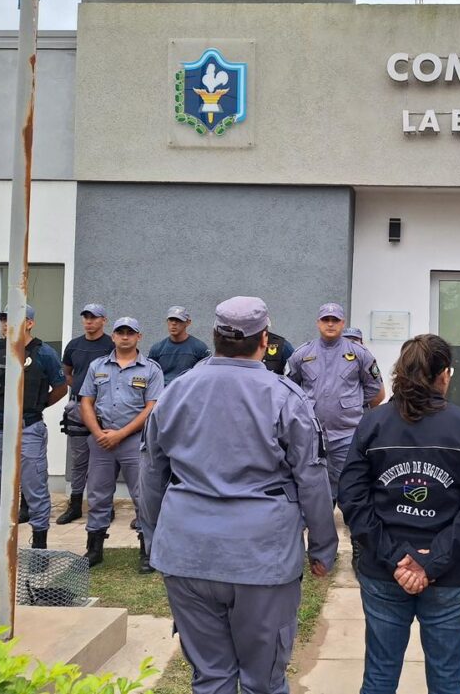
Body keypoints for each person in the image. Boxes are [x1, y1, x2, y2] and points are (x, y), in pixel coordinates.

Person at [139, 296, 337, 694]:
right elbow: (313, 480)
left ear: (214, 336)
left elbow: (151, 475)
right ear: (264, 340)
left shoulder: (176, 392)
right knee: (263, 680)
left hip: (187, 553)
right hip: (260, 558)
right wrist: (322, 548)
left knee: (211, 677)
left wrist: (157, 535)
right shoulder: (285, 396)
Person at [339, 334, 460, 694]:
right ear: (444, 375)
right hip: (449, 572)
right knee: (446, 679)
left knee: (379, 676)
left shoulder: (372, 423)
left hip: (386, 569)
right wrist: (431, 561)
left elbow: (352, 499)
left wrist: (397, 558)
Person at [0, 305, 67, 567]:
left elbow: (61, 388)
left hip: (28, 429)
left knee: (35, 489)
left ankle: (39, 548)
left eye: (13, 320)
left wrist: (36, 406)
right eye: (3, 320)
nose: (6, 325)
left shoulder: (44, 353)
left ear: (29, 323)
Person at [78, 316, 164, 572]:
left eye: (130, 332)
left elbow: (152, 407)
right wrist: (98, 433)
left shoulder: (151, 369)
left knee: (142, 496)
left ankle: (147, 550)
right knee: (97, 494)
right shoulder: (97, 366)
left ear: (139, 337)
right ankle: (94, 548)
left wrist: (121, 433)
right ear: (113, 336)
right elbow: (86, 401)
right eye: (120, 332)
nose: (125, 336)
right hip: (101, 440)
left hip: (135, 441)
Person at [288, 303, 383, 499]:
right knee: (312, 483)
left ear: (342, 323)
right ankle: (318, 517)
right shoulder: (302, 354)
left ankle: (348, 517)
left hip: (347, 433)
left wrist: (352, 403)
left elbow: (374, 387)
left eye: (335, 320)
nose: (330, 324)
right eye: (326, 320)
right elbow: (289, 387)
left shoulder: (359, 353)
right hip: (311, 433)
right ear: (318, 323)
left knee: (349, 483)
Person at [56, 303, 115, 525]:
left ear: (104, 320)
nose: (89, 321)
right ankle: (75, 505)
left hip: (105, 408)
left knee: (104, 460)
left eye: (94, 317)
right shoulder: (74, 345)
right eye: (86, 317)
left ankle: (105, 505)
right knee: (79, 460)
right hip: (78, 408)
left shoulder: (111, 345)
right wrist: (83, 392)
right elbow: (67, 373)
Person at [147, 306, 211, 385]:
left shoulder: (200, 348)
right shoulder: (157, 349)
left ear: (188, 322)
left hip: (189, 390)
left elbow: (207, 376)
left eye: (178, 320)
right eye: (171, 320)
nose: (174, 323)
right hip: (164, 391)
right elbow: (149, 376)